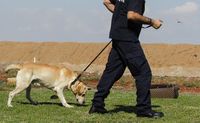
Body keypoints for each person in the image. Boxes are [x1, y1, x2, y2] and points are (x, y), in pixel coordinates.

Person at [89, 0, 164, 118]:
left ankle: (97, 104)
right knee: (143, 73)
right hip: (128, 39)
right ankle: (143, 109)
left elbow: (107, 2)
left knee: (112, 72)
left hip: (117, 36)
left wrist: (120, 15)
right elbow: (132, 15)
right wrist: (152, 21)